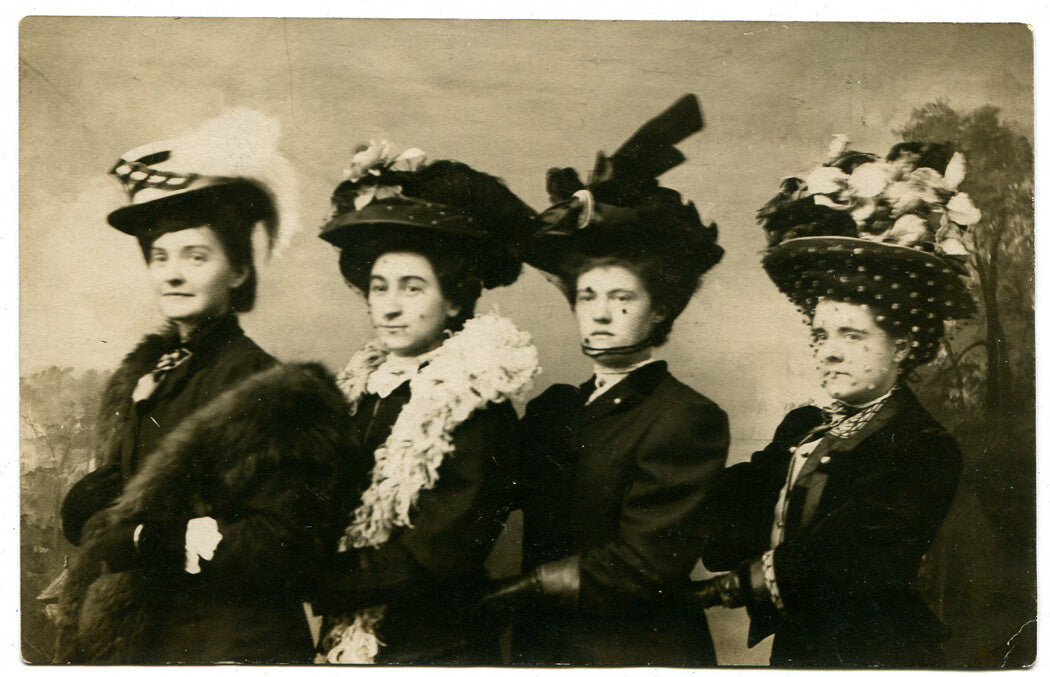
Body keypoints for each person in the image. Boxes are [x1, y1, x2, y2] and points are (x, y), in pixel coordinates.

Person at [54, 111, 355, 664]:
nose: (172, 274)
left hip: (229, 645)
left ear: (238, 271)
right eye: (160, 257)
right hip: (146, 640)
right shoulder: (153, 374)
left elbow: (281, 543)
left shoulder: (269, 388)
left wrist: (148, 541)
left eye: (196, 256)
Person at [690, 138, 975, 667]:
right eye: (821, 335)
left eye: (852, 336)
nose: (830, 353)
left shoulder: (923, 447)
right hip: (800, 652)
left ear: (904, 345)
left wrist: (722, 590)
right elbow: (740, 512)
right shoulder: (804, 427)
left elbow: (843, 555)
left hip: (879, 654)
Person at [480, 95, 730, 666]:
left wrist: (523, 589)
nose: (599, 313)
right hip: (544, 651)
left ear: (660, 310)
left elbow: (644, 564)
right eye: (587, 296)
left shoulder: (686, 417)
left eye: (623, 298)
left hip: (637, 652)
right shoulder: (553, 409)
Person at [309, 141, 540, 665]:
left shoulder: (477, 400)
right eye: (379, 287)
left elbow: (440, 553)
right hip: (349, 636)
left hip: (434, 645)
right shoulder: (359, 391)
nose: (389, 307)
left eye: (412, 289)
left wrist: (313, 578)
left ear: (454, 297)